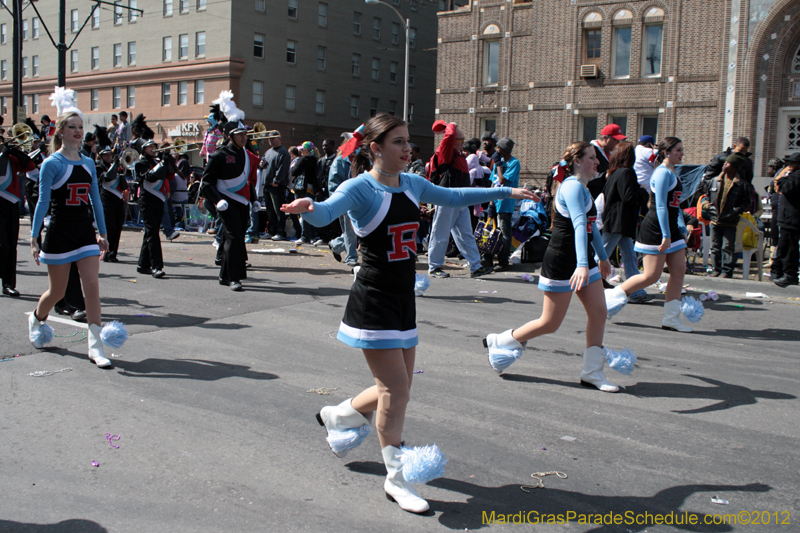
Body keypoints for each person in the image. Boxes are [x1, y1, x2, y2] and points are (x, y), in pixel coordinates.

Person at [280, 113, 536, 513]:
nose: (407, 149)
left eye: (407, 142)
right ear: (376, 149)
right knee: (394, 390)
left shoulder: (413, 183)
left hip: (404, 298)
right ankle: (396, 478)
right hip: (374, 298)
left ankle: (341, 413)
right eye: (397, 142)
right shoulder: (360, 187)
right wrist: (307, 206)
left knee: (397, 389)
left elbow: (454, 198)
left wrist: (506, 192)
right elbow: (327, 212)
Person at [484, 141, 619, 392]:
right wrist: (581, 264)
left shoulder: (583, 188)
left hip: (583, 261)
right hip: (563, 261)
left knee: (599, 312)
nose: (597, 162)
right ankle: (502, 339)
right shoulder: (572, 188)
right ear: (577, 161)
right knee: (550, 323)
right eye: (592, 157)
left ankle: (592, 373)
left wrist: (601, 257)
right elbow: (579, 226)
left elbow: (590, 228)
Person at [28, 89, 120, 368]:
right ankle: (37, 318)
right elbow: (42, 202)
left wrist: (102, 234)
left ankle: (95, 346)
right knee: (56, 292)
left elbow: (96, 201)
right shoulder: (51, 164)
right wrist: (34, 238)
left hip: (84, 232)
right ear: (61, 131)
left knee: (91, 286)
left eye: (81, 127)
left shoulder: (89, 162)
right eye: (73, 127)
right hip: (59, 231)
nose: (79, 131)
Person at [605, 137, 693, 332]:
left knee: (679, 271)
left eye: (682, 149)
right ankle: (610, 297)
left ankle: (671, 318)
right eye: (678, 150)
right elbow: (659, 205)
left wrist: (679, 229)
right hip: (656, 229)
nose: (682, 153)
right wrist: (666, 234)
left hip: (671, 229)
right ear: (667, 152)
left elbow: (675, 207)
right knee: (651, 276)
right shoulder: (661, 173)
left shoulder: (672, 172)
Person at [426, 121, 493, 278]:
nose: (463, 143)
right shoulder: (446, 152)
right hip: (448, 198)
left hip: (459, 199)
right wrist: (451, 126)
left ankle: (475, 266)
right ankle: (434, 266)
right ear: (453, 140)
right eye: (461, 140)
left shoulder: (455, 154)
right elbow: (448, 137)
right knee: (441, 233)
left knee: (466, 234)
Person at [201, 119, 259, 291]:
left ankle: (224, 275)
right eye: (240, 135)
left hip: (242, 203)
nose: (244, 137)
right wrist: (218, 199)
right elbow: (206, 183)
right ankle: (235, 277)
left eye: (245, 134)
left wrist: (254, 199)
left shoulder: (248, 156)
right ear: (230, 137)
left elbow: (247, 181)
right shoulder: (219, 156)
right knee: (234, 238)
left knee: (234, 237)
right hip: (226, 202)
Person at [600, 141, 651, 302]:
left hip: (615, 221)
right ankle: (586, 282)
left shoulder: (613, 173)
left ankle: (636, 292)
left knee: (629, 257)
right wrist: (642, 191)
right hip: (620, 222)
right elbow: (629, 197)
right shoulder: (627, 173)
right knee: (603, 255)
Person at [702, 153, 751, 278]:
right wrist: (707, 206)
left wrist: (736, 211)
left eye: (727, 163)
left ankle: (727, 271)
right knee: (714, 246)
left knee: (727, 247)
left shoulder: (742, 185)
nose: (724, 165)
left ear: (734, 167)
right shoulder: (714, 181)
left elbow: (746, 202)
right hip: (715, 220)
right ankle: (716, 269)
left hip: (730, 221)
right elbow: (706, 197)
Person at [0, 142, 36, 296]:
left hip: (11, 203)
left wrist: (16, 152)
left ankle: (8, 284)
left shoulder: (10, 157)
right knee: (2, 244)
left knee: (10, 244)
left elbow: (30, 166)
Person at [481, 137, 520, 272]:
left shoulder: (514, 163)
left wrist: (498, 165)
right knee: (491, 231)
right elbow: (493, 182)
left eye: (498, 148)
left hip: (506, 203)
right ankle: (488, 258)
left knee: (504, 232)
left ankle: (503, 261)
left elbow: (502, 180)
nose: (497, 150)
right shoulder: (499, 161)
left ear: (504, 149)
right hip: (495, 202)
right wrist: (491, 203)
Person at [327, 127, 363, 267]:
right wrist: (339, 202)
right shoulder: (340, 161)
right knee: (350, 230)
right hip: (347, 200)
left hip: (361, 200)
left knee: (359, 230)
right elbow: (334, 184)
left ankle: (336, 245)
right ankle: (351, 257)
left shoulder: (361, 159)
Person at [134, 140, 168, 278]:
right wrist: (161, 164)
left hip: (158, 199)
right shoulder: (140, 163)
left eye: (154, 147)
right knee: (153, 233)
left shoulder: (156, 161)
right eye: (150, 147)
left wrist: (167, 160)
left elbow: (169, 173)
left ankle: (142, 265)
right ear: (143, 149)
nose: (153, 149)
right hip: (147, 200)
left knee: (150, 232)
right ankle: (156, 266)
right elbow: (150, 177)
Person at [770, 152, 800, 288]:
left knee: (790, 247)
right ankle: (777, 270)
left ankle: (790, 274)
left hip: (793, 219)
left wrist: (784, 175)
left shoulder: (797, 176)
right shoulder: (793, 176)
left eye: (792, 164)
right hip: (786, 218)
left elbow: (784, 186)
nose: (789, 166)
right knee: (783, 246)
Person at [97, 147, 127, 262]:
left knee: (118, 225)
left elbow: (124, 186)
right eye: (106, 155)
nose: (109, 157)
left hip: (118, 198)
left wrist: (122, 170)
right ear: (102, 156)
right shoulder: (99, 167)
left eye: (110, 155)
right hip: (106, 198)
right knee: (110, 226)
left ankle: (113, 253)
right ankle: (106, 252)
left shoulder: (117, 168)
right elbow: (108, 177)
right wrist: (114, 165)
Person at [259, 132, 290, 241]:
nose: (270, 140)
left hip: (276, 186)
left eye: (273, 138)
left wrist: (276, 181)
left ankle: (280, 232)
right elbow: (262, 164)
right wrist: (261, 165)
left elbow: (283, 168)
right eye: (269, 139)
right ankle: (271, 231)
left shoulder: (283, 152)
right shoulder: (268, 152)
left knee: (278, 210)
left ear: (279, 138)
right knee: (270, 210)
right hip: (267, 185)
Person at [291, 142, 319, 244]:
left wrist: (294, 165)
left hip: (302, 188)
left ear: (307, 150)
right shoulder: (316, 160)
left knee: (303, 213)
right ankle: (312, 235)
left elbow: (293, 171)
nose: (301, 151)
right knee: (310, 212)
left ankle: (304, 236)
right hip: (311, 189)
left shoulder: (302, 160)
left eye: (303, 149)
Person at [589, 124, 627, 199]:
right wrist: (605, 176)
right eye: (615, 140)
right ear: (605, 138)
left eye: (619, 140)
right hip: (594, 195)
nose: (618, 143)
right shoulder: (591, 150)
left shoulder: (611, 152)